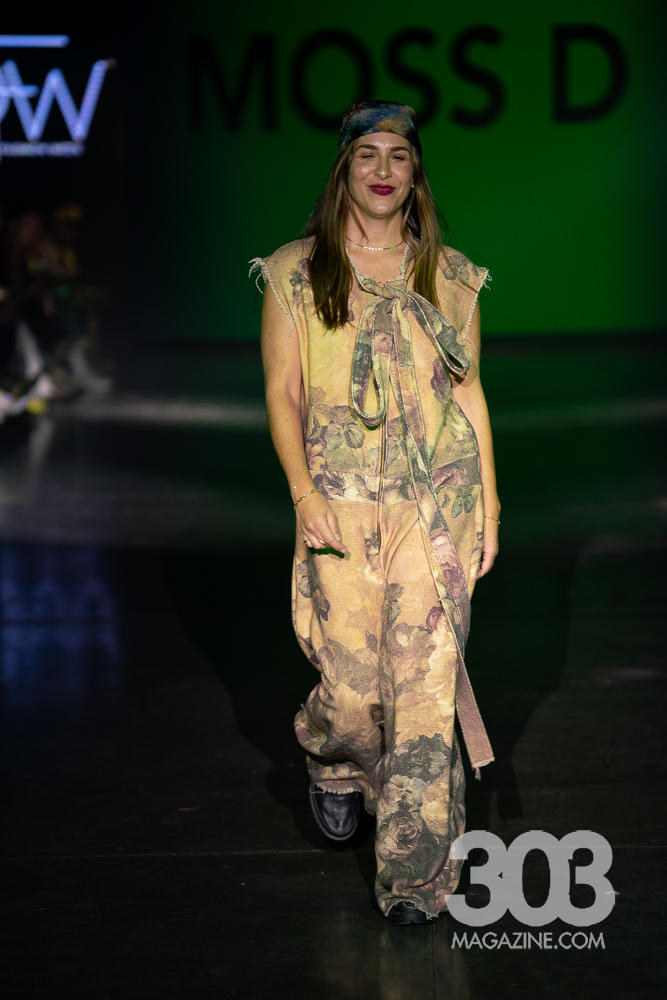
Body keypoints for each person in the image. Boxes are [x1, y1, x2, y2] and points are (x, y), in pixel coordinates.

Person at [251, 100, 499, 925]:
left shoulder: (451, 275)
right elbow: (282, 393)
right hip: (339, 505)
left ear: (415, 173)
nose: (384, 169)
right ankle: (335, 760)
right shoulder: (296, 273)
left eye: (398, 155)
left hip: (435, 504)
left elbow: (467, 393)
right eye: (368, 155)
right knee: (354, 693)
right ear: (344, 170)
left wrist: (490, 502)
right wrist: (303, 493)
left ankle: (415, 881)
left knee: (424, 694)